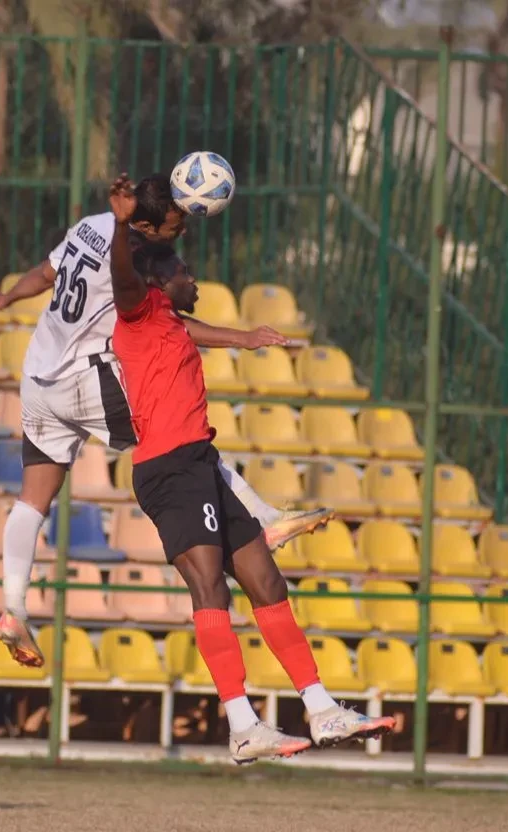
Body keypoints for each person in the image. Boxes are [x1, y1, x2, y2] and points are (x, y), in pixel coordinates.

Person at [0, 173, 332, 668]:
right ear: (145, 226)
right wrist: (242, 338)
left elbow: (44, 273)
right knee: (178, 434)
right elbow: (171, 323)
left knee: (32, 499)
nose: (182, 231)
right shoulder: (135, 257)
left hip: (38, 377)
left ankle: (13, 607)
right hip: (87, 380)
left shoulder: (90, 225)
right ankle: (265, 519)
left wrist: (6, 298)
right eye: (174, 225)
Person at [105, 176, 395, 763]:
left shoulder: (167, 318)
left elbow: (194, 331)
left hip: (201, 464)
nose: (193, 279)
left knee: (267, 581)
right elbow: (124, 279)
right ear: (159, 282)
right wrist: (119, 223)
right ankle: (242, 725)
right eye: (184, 271)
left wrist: (246, 339)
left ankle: (322, 709)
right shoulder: (137, 310)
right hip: (169, 469)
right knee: (209, 585)